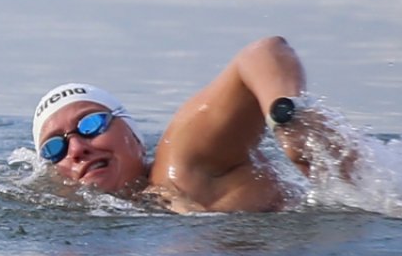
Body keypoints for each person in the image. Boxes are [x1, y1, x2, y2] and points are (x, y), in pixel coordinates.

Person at [31, 36, 353, 213]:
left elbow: (263, 52)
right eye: (54, 148)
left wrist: (287, 118)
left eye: (91, 124)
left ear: (134, 137)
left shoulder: (184, 161)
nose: (76, 148)